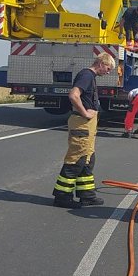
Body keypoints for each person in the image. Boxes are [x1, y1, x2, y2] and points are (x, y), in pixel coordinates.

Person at [52, 52, 116, 209]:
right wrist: (85, 112)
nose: (108, 72)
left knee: (88, 159)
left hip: (87, 124)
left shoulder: (90, 77)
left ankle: (87, 195)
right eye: (108, 68)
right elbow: (74, 95)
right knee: (76, 160)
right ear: (100, 63)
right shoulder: (86, 75)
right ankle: (62, 196)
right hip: (82, 123)